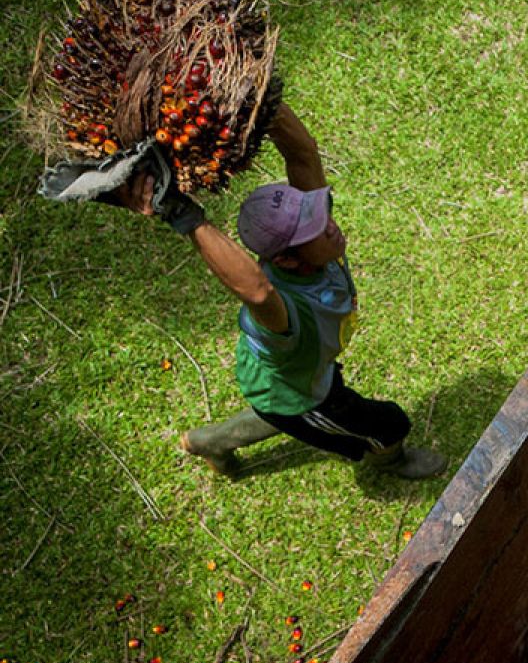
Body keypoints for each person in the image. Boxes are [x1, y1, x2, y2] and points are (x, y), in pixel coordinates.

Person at [117, 103, 447, 480]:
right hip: (298, 390)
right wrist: (184, 216)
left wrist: (264, 101)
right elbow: (257, 292)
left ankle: (209, 441)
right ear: (288, 260)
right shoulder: (283, 311)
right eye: (315, 229)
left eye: (319, 212)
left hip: (292, 376)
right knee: (381, 424)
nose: (330, 226)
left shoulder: (310, 246)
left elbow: (302, 152)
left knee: (278, 407)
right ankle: (392, 459)